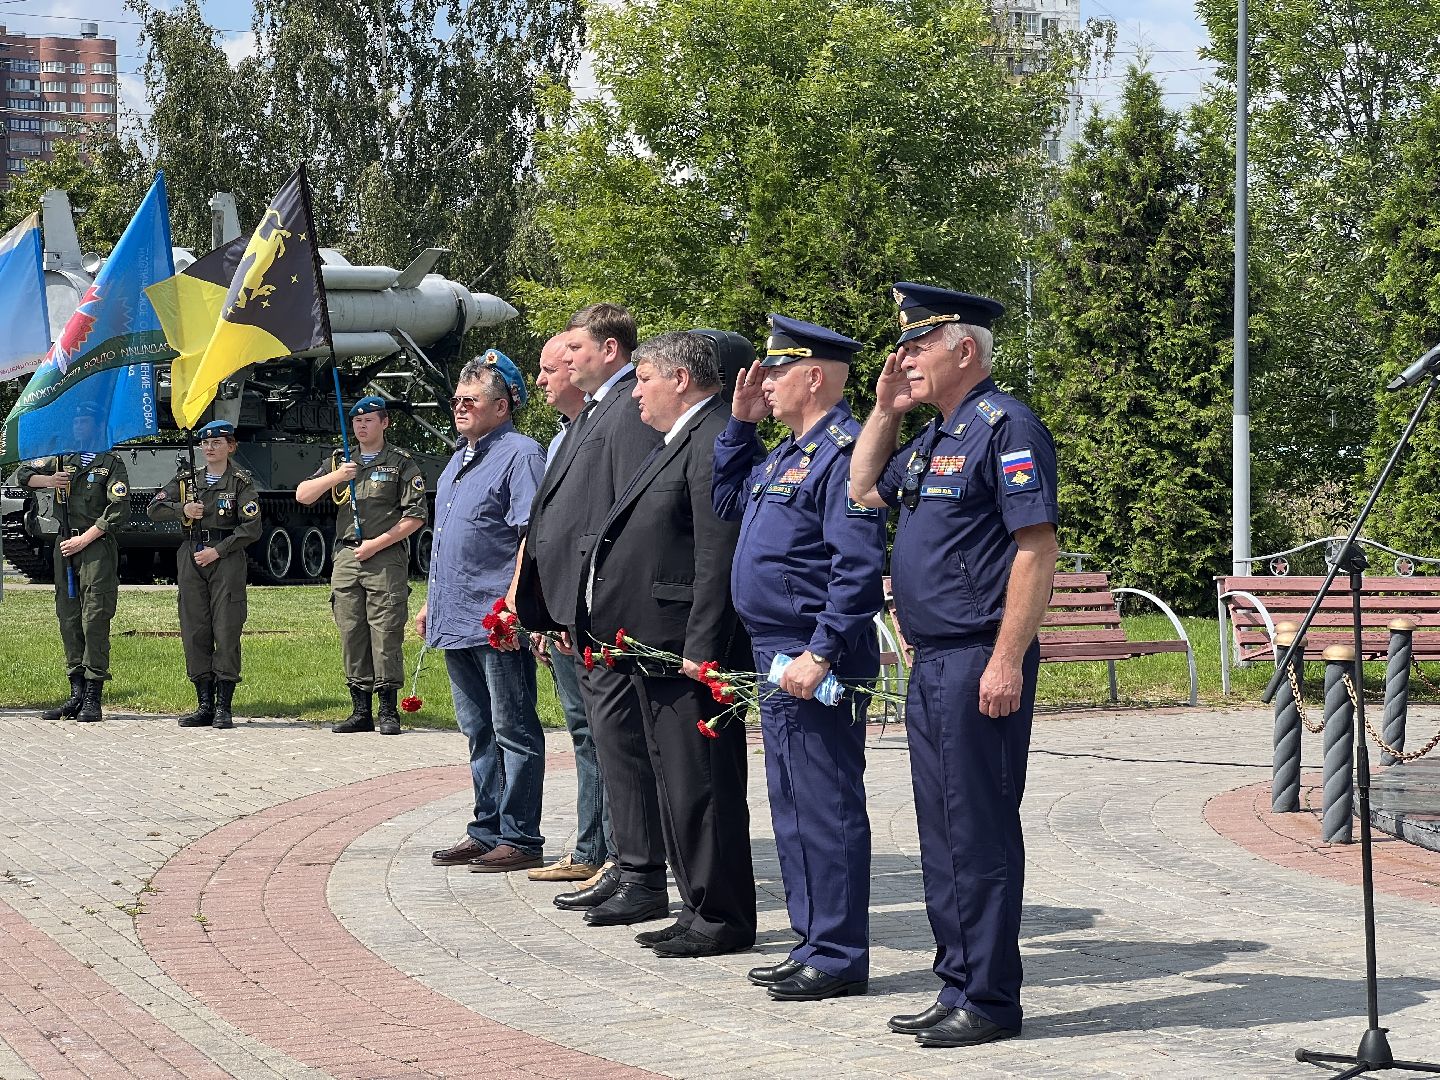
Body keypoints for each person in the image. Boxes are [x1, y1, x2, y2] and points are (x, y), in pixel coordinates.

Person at [849, 283, 1060, 1048]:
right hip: (934, 661)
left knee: (980, 832)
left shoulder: (1008, 429)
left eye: (917, 345)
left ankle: (992, 999)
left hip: (978, 658)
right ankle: (957, 982)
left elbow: (1037, 549)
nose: (903, 357)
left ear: (962, 350)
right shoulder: (942, 434)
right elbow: (864, 486)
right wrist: (884, 409)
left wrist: (1006, 659)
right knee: (941, 831)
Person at [712, 314, 886, 1000]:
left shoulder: (844, 453)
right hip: (774, 652)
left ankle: (839, 955)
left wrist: (822, 649)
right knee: (791, 804)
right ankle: (813, 940)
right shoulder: (786, 453)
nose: (765, 380)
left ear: (814, 376)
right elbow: (727, 501)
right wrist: (741, 426)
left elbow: (858, 566)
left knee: (826, 805)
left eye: (777, 371)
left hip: (816, 657)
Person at [586, 330, 757, 958]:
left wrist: (704, 646)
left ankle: (723, 916)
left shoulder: (712, 437)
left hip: (690, 652)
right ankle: (699, 906)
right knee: (676, 782)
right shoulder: (682, 437)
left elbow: (718, 553)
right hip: (658, 648)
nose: (635, 392)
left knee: (703, 785)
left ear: (680, 379)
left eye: (644, 378)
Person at [512, 303, 667, 924]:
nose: (563, 361)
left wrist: (593, 600)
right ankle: (626, 865)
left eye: (573, 349)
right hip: (581, 607)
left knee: (622, 743)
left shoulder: (626, 409)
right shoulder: (595, 413)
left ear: (609, 350)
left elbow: (621, 517)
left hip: (607, 608)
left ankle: (637, 871)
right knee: (609, 740)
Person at [422, 352, 549, 874]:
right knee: (477, 730)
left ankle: (520, 837)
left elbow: (530, 534)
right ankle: (487, 828)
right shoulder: (458, 459)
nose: (458, 407)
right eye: (455, 399)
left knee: (512, 728)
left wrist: (516, 602)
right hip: (456, 616)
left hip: (497, 619)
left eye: (469, 399)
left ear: (502, 405)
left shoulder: (521, 454)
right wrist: (432, 603)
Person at [524, 333, 614, 884]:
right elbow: (543, 533)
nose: (542, 380)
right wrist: (540, 611)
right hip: (559, 612)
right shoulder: (563, 439)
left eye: (549, 368)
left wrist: (564, 612)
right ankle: (592, 845)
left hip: (585, 612)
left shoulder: (601, 437)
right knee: (582, 731)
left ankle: (598, 850)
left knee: (599, 733)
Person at [296, 395, 427, 735]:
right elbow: (302, 495)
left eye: (369, 420)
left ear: (384, 423)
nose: (362, 425)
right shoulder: (341, 461)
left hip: (384, 557)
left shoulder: (400, 463)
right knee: (351, 629)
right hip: (347, 557)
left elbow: (415, 516)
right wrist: (336, 477)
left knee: (385, 630)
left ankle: (387, 710)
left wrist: (376, 545)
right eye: (357, 420)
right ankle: (360, 710)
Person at [146, 419, 263, 729]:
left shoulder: (240, 481)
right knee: (195, 628)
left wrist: (219, 551)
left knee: (226, 628)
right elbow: (153, 509)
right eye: (205, 443)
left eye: (217, 443)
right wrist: (182, 509)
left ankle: (224, 705)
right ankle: (204, 704)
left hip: (224, 557)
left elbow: (251, 527)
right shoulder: (188, 480)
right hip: (191, 555)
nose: (210, 448)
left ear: (231, 446)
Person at [17, 405, 130, 724]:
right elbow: (23, 474)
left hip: (94, 546)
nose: (79, 426)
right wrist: (50, 479)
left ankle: (93, 695)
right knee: (68, 617)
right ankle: (75, 693)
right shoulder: (60, 457)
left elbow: (118, 510)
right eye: (76, 421)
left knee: (93, 617)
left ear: (96, 426)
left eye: (85, 421)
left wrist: (84, 539)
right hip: (64, 544)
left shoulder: (110, 463)